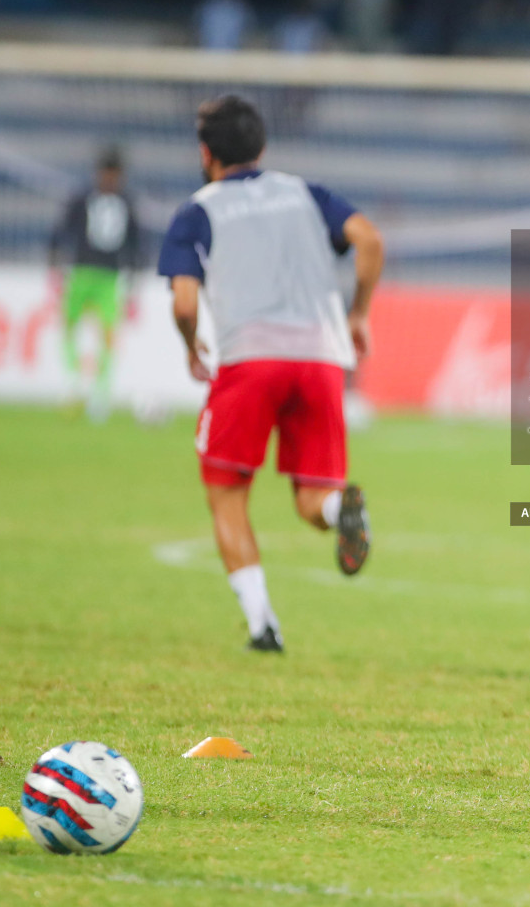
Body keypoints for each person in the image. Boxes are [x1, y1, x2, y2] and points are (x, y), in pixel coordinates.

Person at [157, 95, 383, 652]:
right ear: (261, 149)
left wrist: (192, 347)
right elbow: (370, 241)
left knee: (227, 493)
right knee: (312, 499)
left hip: (249, 360)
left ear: (206, 154)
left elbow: (185, 305)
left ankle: (263, 626)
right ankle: (341, 509)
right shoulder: (305, 193)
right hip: (322, 358)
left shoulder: (196, 211)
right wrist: (358, 314)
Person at [49, 146, 144, 420]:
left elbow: (136, 245)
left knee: (107, 335)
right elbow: (62, 233)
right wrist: (55, 269)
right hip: (81, 272)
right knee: (69, 327)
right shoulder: (95, 199)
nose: (112, 179)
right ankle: (74, 382)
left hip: (108, 277)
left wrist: (134, 284)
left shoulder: (91, 198)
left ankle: (99, 394)